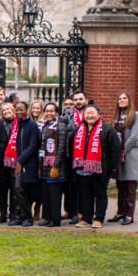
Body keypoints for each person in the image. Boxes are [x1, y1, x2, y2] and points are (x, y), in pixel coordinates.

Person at [73, 105, 122, 229]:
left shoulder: (107, 130)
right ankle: (86, 218)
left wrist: (111, 169)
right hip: (82, 169)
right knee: (85, 194)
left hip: (101, 170)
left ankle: (99, 218)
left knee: (100, 194)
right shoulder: (79, 129)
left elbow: (115, 149)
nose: (90, 116)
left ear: (99, 114)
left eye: (92, 113)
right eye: (87, 113)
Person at [109, 92, 138, 225]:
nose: (121, 100)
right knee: (120, 185)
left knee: (130, 186)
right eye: (119, 99)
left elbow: (134, 137)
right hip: (119, 155)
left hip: (130, 155)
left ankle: (129, 215)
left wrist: (122, 149)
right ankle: (120, 212)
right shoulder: (117, 116)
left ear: (129, 100)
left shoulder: (135, 115)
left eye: (124, 98)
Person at [6, 102, 41, 227]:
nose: (20, 112)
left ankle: (27, 217)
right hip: (15, 162)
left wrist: (20, 161)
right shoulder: (15, 125)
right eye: (17, 110)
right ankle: (19, 216)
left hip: (27, 163)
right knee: (18, 191)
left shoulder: (32, 125)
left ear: (27, 110)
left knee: (20, 189)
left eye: (22, 109)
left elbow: (32, 146)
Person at [39, 102, 68, 227]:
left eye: (51, 111)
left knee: (54, 194)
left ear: (56, 112)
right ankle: (47, 217)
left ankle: (55, 219)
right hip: (45, 164)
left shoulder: (60, 126)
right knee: (46, 194)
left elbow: (61, 147)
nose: (49, 113)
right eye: (47, 111)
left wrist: (56, 165)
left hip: (56, 166)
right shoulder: (45, 125)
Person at [63, 90, 88, 224]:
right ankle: (74, 212)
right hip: (71, 156)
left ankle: (84, 212)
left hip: (88, 156)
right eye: (76, 100)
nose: (78, 102)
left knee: (85, 186)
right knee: (73, 187)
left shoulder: (90, 115)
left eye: (80, 99)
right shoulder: (68, 117)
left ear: (86, 101)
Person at [0, 102, 16, 223]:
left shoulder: (18, 124)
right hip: (2, 161)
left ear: (13, 110)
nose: (6, 111)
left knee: (14, 188)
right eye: (4, 110)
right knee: (2, 189)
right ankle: (3, 212)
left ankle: (13, 213)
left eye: (9, 109)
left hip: (14, 160)